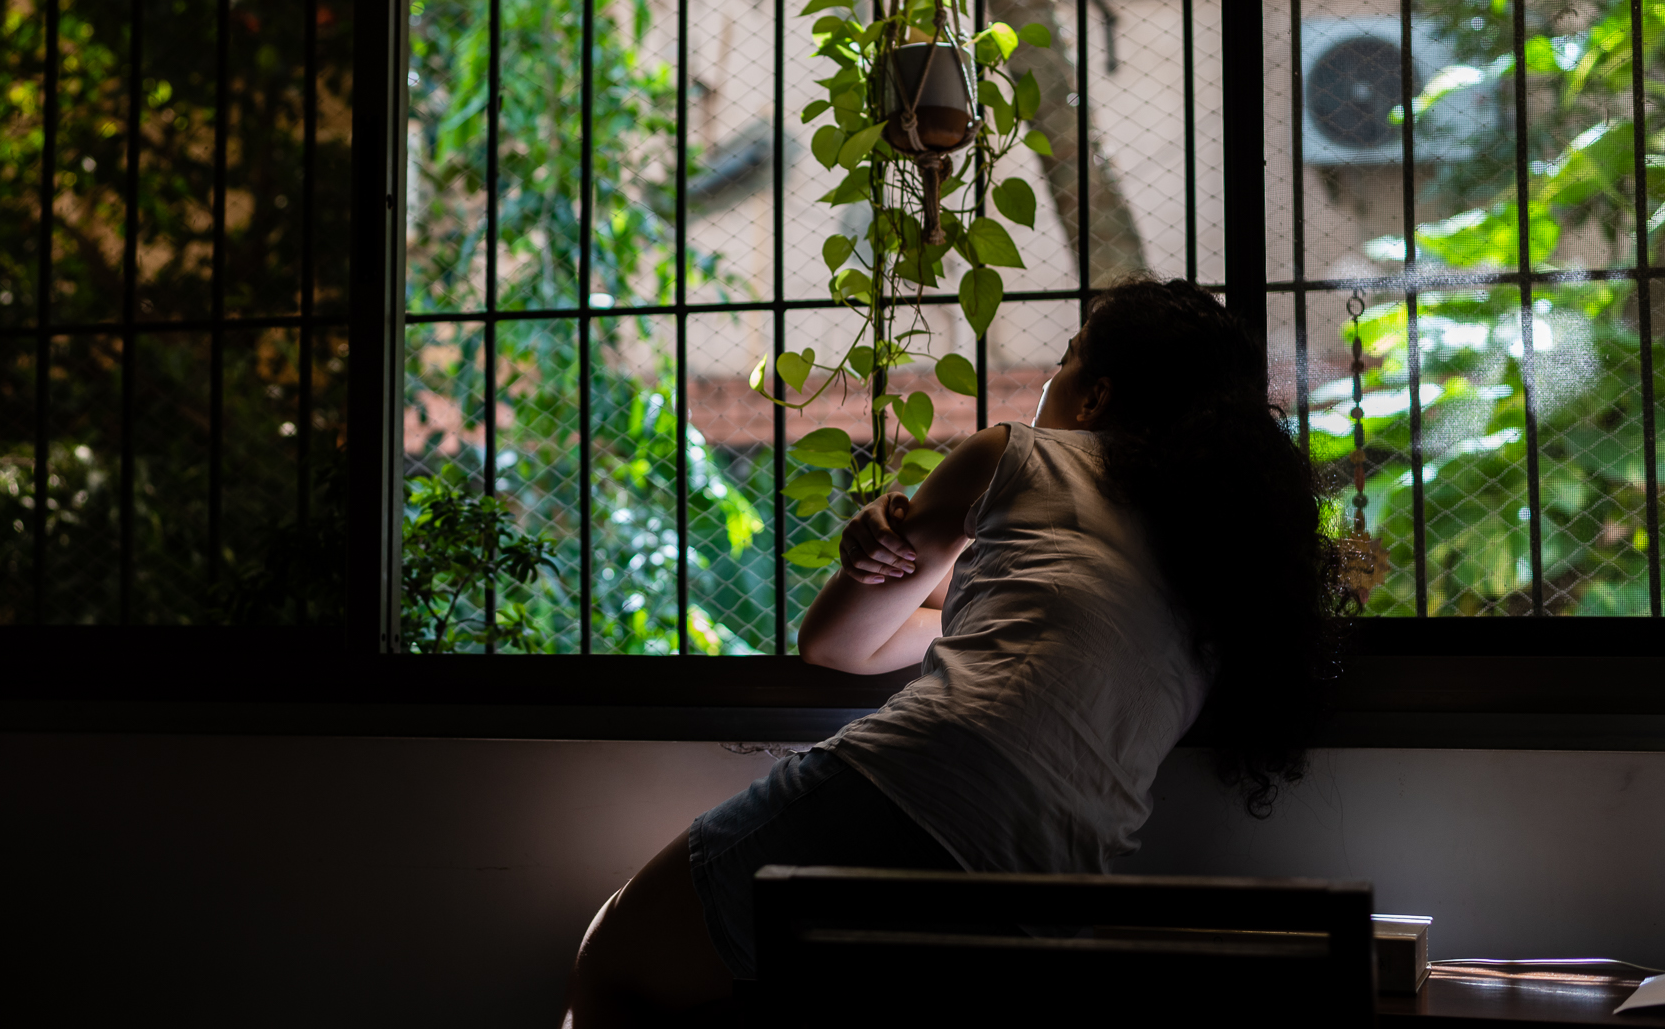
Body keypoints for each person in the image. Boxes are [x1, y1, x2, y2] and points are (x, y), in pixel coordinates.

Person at [560, 278, 1347, 1027]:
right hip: (1050, 891)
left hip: (911, 783)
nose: (1052, 379)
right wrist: (944, 584)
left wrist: (893, 549)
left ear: (1096, 394)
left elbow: (834, 643)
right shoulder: (1216, 589)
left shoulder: (1023, 454)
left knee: (614, 957)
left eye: (1068, 356)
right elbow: (1012, 622)